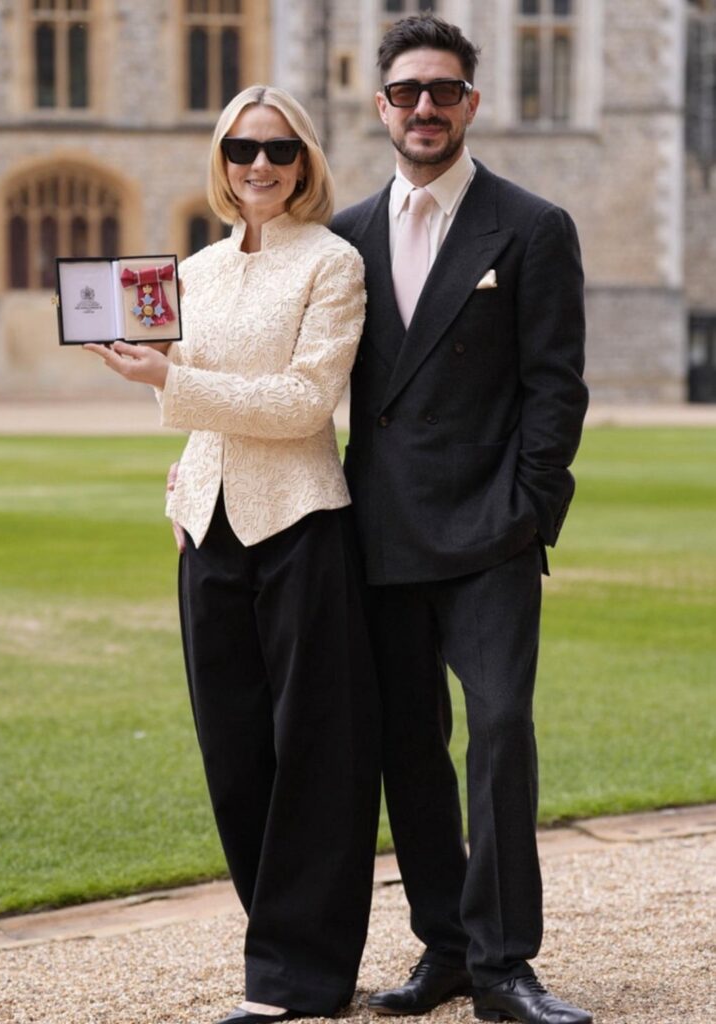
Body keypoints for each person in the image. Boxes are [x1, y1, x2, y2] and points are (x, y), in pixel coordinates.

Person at [85, 84, 381, 1024]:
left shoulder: (334, 265)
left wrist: (172, 380)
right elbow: (192, 403)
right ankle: (284, 953)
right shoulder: (195, 272)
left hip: (300, 520)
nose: (261, 164)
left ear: (305, 164)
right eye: (244, 148)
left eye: (280, 150)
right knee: (233, 751)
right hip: (207, 529)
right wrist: (178, 474)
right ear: (221, 158)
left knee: (318, 756)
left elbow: (303, 406)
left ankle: (300, 981)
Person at [332, 14, 591, 1024]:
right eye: (407, 92)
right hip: (379, 532)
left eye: (442, 91)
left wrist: (526, 510)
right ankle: (444, 945)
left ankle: (503, 964)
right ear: (382, 104)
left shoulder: (531, 225)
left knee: (500, 734)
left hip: (489, 531)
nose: (425, 108)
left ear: (469, 104)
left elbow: (554, 389)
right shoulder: (343, 234)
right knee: (408, 748)